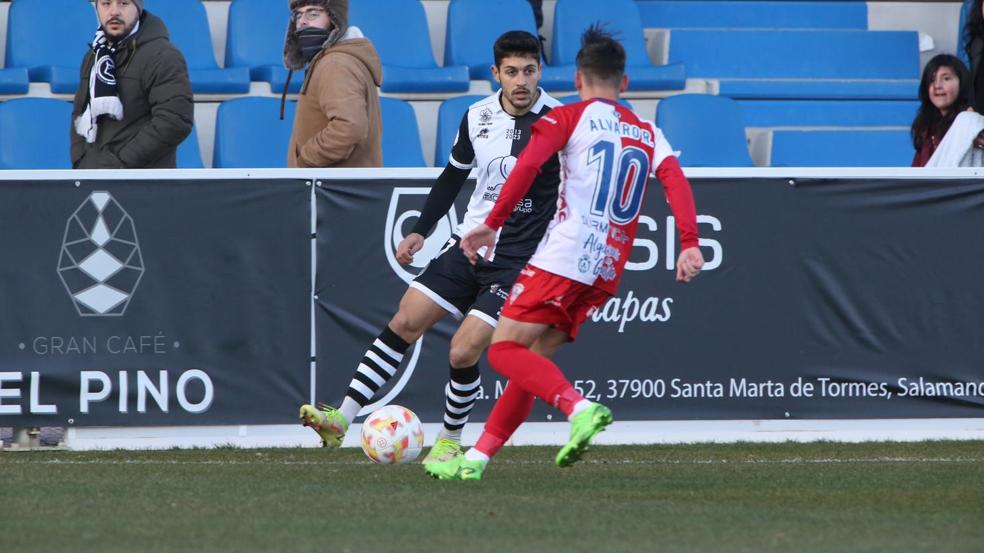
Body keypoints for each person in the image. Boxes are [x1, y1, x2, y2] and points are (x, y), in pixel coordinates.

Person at [426, 25, 705, 481]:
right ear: (625, 84)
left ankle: (578, 407)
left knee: (501, 351)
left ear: (578, 81)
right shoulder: (649, 131)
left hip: (563, 256)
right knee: (530, 361)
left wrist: (490, 224)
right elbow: (675, 180)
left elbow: (528, 166)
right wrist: (689, 244)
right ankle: (476, 459)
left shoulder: (567, 118)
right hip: (606, 269)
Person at [299, 31, 564, 464]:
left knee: (462, 349)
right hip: (468, 246)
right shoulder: (476, 116)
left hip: (519, 261)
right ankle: (341, 420)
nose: (521, 81)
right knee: (406, 319)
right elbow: (453, 178)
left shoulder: (558, 120)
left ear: (540, 72)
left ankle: (449, 440)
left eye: (529, 71)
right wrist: (422, 229)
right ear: (496, 73)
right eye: (512, 72)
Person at [70, 0, 193, 169]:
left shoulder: (164, 56)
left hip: (143, 185)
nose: (114, 12)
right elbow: (79, 112)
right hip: (94, 177)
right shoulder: (93, 56)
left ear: (138, 8)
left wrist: (120, 163)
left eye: (123, 3)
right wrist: (81, 161)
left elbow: (175, 121)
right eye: (106, 4)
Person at [284, 0, 383, 168]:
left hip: (334, 189)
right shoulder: (334, 60)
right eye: (298, 15)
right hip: (337, 188)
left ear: (334, 19)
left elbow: (350, 127)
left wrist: (305, 160)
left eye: (313, 13)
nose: (302, 21)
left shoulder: (335, 64)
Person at [911, 54, 972, 167]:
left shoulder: (970, 122)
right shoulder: (926, 129)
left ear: (962, 83)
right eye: (932, 80)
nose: (937, 85)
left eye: (946, 78)